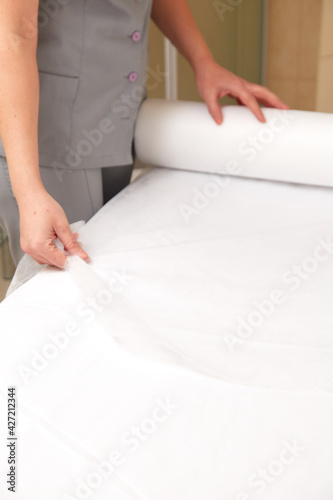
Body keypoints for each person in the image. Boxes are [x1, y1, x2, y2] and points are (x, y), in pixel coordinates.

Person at [0, 0, 288, 270]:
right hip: (48, 143)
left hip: (119, 121)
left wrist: (203, 61)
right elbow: (13, 34)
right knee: (67, 292)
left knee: (115, 274)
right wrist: (28, 192)